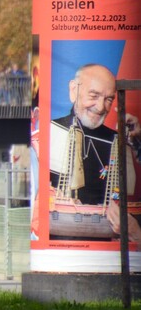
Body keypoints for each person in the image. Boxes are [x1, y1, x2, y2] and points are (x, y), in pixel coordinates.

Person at [49, 63, 140, 241]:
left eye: (108, 99)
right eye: (94, 96)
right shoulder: (51, 131)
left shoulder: (119, 140)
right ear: (74, 90)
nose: (100, 107)